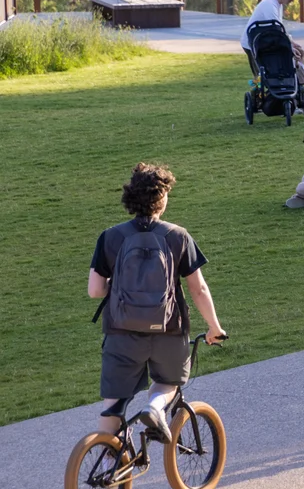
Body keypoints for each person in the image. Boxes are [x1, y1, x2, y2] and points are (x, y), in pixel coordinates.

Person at [88, 163, 226, 438]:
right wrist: (214, 327)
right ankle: (155, 407)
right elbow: (198, 289)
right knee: (168, 383)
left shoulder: (111, 236)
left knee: (113, 404)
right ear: (161, 199)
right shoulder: (177, 236)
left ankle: (105, 463)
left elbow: (95, 291)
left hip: (121, 332)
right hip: (169, 330)